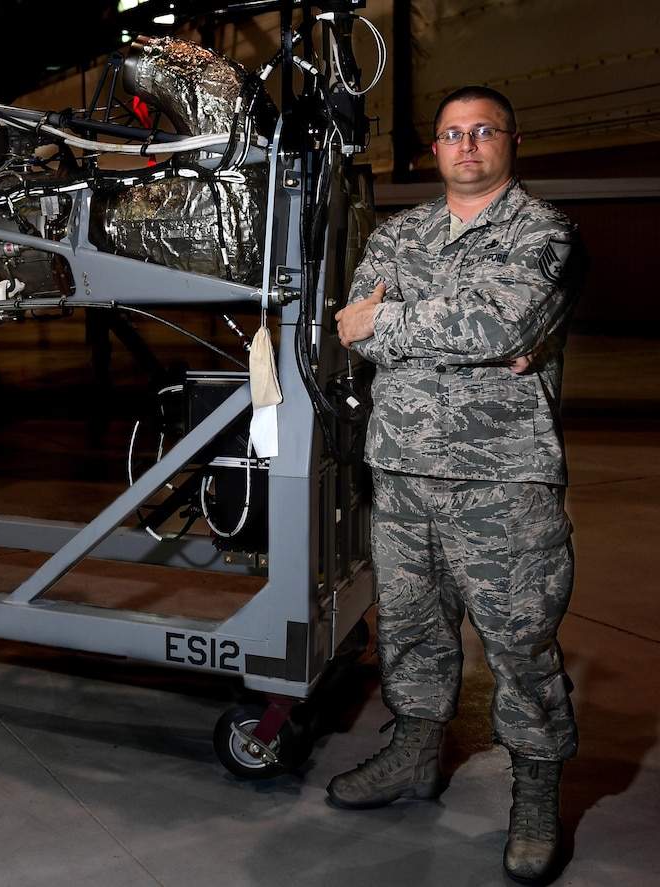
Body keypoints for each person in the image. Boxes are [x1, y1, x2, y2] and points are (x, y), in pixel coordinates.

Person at [330, 85, 588, 885]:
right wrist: (439, 328)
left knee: (518, 639)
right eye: (451, 134)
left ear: (511, 141)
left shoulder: (545, 233)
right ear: (435, 149)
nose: (466, 145)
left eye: (483, 131)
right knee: (409, 625)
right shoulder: (397, 232)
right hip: (402, 468)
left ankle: (537, 789)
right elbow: (352, 325)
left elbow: (499, 326)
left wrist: (398, 323)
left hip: (502, 476)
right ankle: (413, 753)